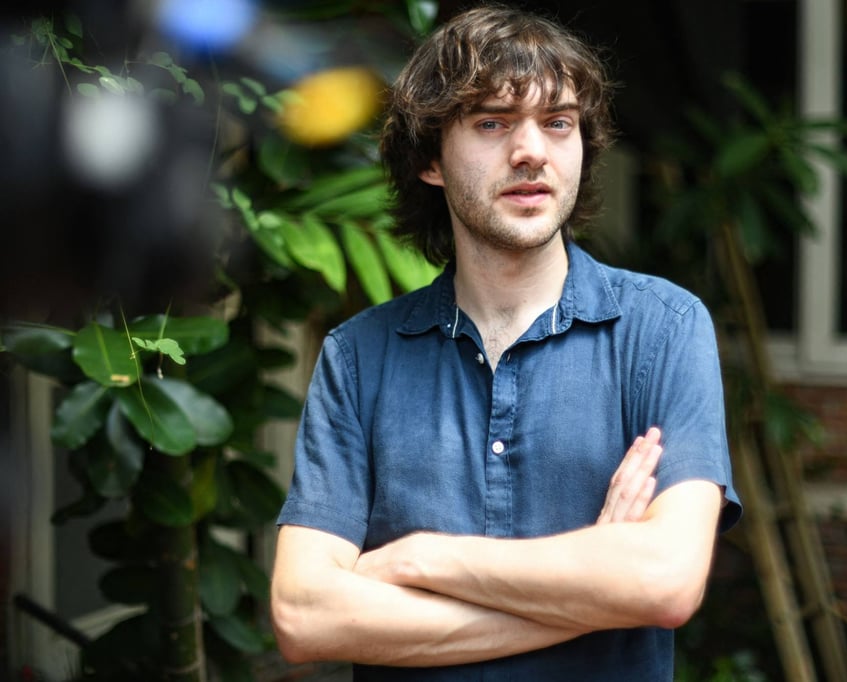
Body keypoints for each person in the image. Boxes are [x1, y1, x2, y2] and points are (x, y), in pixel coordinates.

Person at [270, 4, 742, 680]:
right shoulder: (358, 357)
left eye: (558, 123)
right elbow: (304, 617)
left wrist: (420, 559)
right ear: (430, 159)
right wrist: (597, 583)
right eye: (492, 123)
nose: (531, 151)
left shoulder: (662, 329)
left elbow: (665, 581)